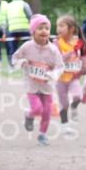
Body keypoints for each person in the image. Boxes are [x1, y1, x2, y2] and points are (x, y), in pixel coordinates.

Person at [11, 15, 64, 147]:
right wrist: (21, 62)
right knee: (37, 109)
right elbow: (15, 58)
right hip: (32, 85)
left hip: (47, 86)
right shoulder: (27, 46)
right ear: (33, 31)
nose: (44, 31)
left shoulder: (53, 50)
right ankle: (29, 115)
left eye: (46, 28)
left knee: (47, 111)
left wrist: (54, 74)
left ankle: (42, 135)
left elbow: (60, 66)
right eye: (40, 28)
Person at [55, 15, 85, 130]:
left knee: (78, 96)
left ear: (71, 28)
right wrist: (66, 56)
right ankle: (64, 124)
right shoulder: (56, 43)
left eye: (61, 26)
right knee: (64, 104)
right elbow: (56, 58)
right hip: (60, 79)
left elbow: (84, 55)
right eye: (57, 26)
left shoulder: (78, 42)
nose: (58, 29)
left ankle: (74, 107)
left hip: (74, 77)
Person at [4, 0, 34, 64]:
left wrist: (5, 32)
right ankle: (30, 63)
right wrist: (33, 29)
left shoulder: (8, 6)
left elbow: (5, 21)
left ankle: (12, 65)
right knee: (28, 47)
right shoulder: (24, 4)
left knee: (13, 48)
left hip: (12, 30)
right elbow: (31, 16)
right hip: (24, 29)